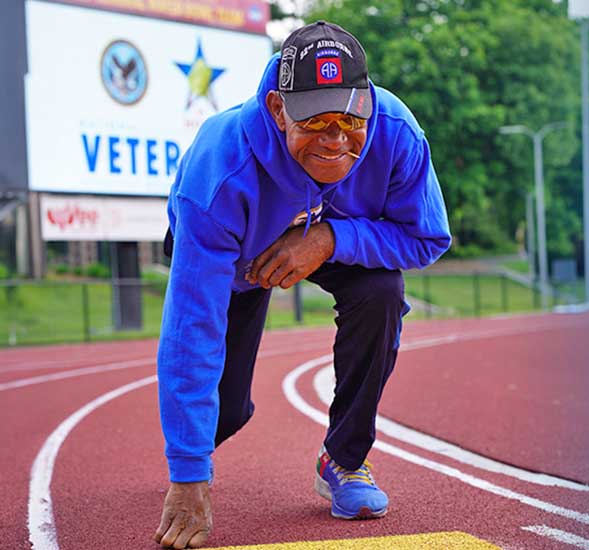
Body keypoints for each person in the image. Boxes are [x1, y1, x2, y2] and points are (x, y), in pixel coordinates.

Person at [152, 21, 451, 549]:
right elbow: (189, 330)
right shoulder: (218, 171)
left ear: (369, 101)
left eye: (350, 117)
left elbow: (426, 237)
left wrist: (330, 239)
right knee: (225, 412)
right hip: (242, 250)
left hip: (339, 237)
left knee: (382, 293)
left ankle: (345, 460)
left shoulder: (397, 134)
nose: (336, 138)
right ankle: (198, 446)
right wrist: (188, 475)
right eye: (316, 120)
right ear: (277, 108)